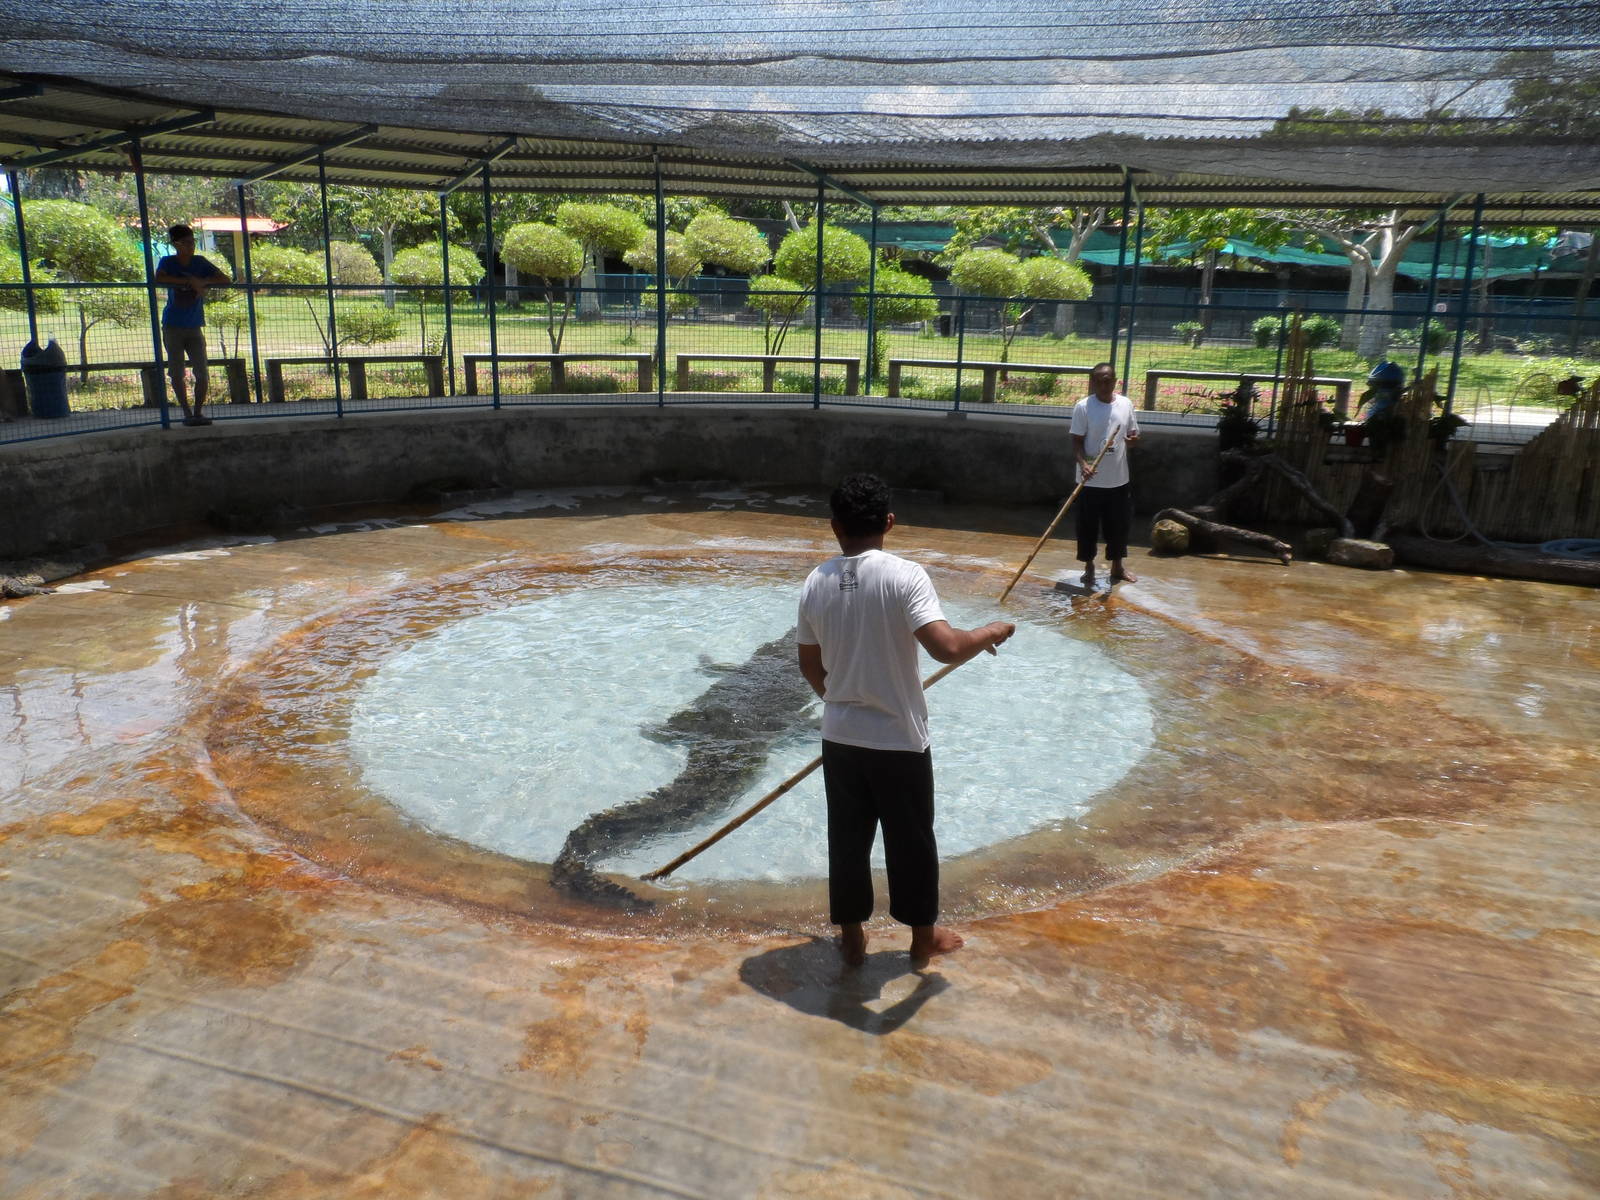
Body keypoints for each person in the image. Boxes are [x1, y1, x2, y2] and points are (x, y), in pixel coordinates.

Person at [796, 474, 1015, 968]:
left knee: (847, 840)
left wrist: (841, 701)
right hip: (898, 740)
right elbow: (946, 648)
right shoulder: (905, 575)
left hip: (841, 737)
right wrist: (993, 629)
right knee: (911, 841)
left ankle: (852, 938)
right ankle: (921, 941)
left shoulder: (816, 581)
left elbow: (810, 666)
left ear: (835, 526)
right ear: (889, 522)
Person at [1070, 362, 1141, 586]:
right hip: (1089, 481)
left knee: (1118, 526)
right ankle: (1088, 567)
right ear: (1092, 382)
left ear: (1115, 381)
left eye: (1108, 379)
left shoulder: (1125, 404)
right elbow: (1077, 442)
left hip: (1118, 480)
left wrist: (1132, 441)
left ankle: (1117, 567)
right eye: (1099, 380)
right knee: (1087, 527)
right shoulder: (1083, 407)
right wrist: (1084, 465)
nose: (1104, 384)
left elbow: (1132, 435)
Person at [153, 223, 231, 426]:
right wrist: (187, 282)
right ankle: (187, 412)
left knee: (202, 372)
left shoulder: (200, 262)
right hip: (173, 326)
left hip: (195, 326)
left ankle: (198, 411)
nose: (191, 246)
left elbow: (225, 279)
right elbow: (159, 278)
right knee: (177, 372)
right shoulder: (167, 261)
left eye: (192, 242)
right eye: (186, 243)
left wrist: (201, 281)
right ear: (176, 244)